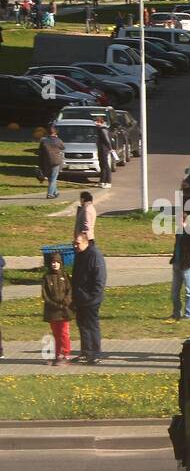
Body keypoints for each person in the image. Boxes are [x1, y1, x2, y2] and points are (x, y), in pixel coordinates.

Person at [71, 231, 106, 364]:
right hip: (79, 298)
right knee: (82, 325)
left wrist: (91, 296)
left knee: (92, 326)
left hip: (91, 299)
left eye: (77, 243)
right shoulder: (79, 254)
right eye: (73, 243)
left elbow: (100, 279)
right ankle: (86, 352)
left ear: (86, 242)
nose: (75, 246)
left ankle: (96, 353)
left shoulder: (94, 255)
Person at [41, 253, 74, 365]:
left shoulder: (65, 276)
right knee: (56, 333)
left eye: (57, 262)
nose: (55, 265)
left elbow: (70, 291)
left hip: (65, 310)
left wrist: (66, 302)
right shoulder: (47, 277)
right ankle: (57, 354)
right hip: (52, 310)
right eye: (53, 262)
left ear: (61, 264)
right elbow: (45, 295)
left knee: (64, 332)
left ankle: (66, 354)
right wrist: (54, 304)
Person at [168, 216, 190, 323]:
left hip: (187, 266)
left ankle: (188, 314)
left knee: (189, 291)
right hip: (177, 264)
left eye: (179, 220)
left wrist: (187, 262)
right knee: (174, 291)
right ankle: (176, 313)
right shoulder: (178, 232)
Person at [38, 126, 65, 199]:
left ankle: (55, 192)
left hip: (46, 161)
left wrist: (40, 164)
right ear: (55, 132)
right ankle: (50, 194)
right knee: (53, 178)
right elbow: (63, 147)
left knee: (51, 178)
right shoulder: (58, 140)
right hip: (56, 161)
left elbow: (40, 152)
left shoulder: (44, 141)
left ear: (47, 133)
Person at [93, 116, 113, 189]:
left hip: (104, 149)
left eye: (96, 122)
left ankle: (108, 182)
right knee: (102, 165)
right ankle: (102, 181)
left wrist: (110, 148)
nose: (95, 123)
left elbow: (107, 140)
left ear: (100, 122)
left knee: (105, 165)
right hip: (101, 149)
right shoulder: (99, 129)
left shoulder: (103, 129)